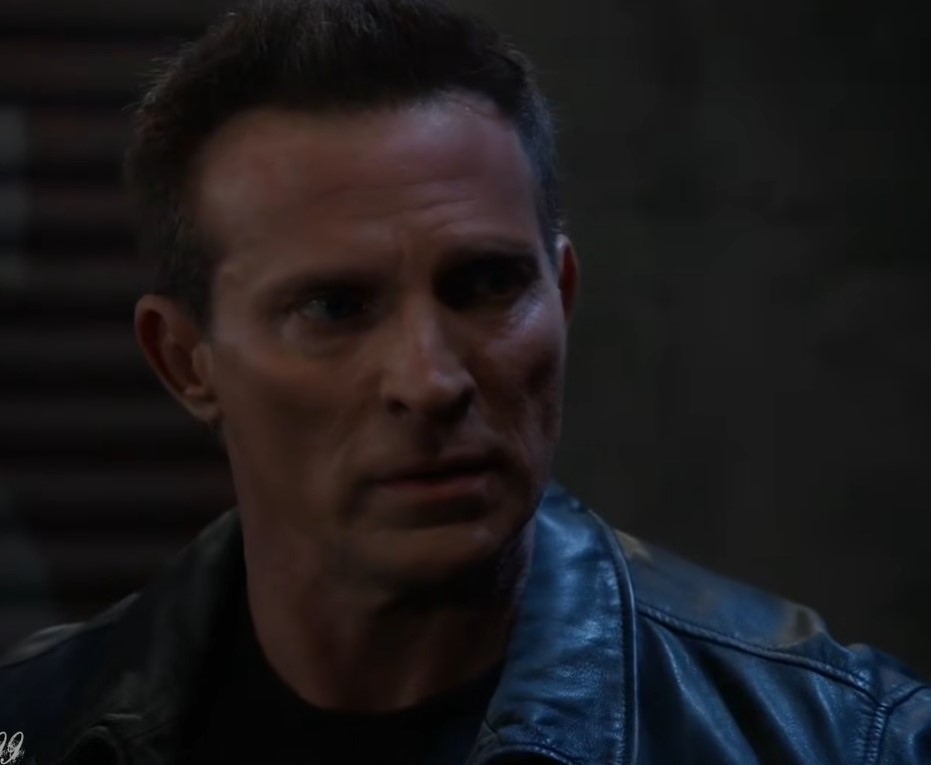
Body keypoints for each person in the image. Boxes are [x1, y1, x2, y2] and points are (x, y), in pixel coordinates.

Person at [2, 0, 929, 762]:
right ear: (184, 360)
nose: (431, 379)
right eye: (333, 306)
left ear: (562, 294)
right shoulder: (38, 726)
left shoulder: (842, 738)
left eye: (486, 285)